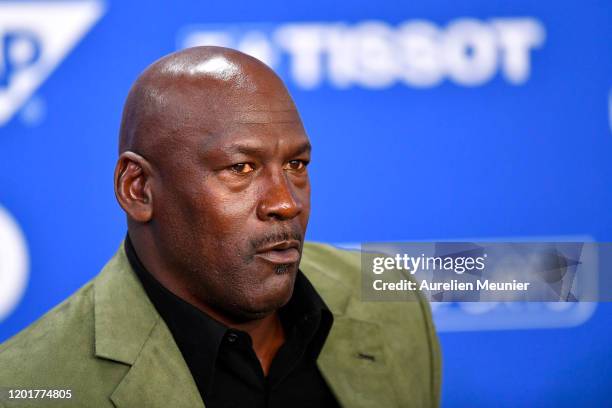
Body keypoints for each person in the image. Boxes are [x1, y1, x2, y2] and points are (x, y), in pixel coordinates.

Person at [0, 47, 441, 408]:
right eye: (241, 167)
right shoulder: (28, 385)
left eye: (296, 164)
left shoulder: (389, 298)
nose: (286, 202)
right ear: (138, 189)